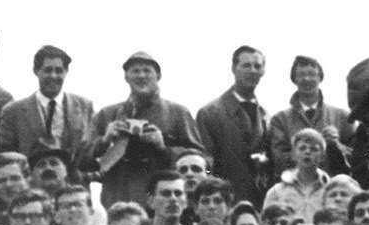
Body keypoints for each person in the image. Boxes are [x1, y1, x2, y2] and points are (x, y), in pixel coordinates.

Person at [83, 53, 204, 212]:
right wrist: (105, 140)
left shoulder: (177, 113)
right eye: (135, 71)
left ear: (158, 76)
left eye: (147, 71)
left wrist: (163, 147)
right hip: (117, 197)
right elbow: (82, 161)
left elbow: (202, 160)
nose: (141, 76)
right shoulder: (108, 114)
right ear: (126, 77)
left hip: (163, 200)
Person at [195, 46, 272, 205]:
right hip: (225, 201)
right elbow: (206, 165)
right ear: (233, 69)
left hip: (258, 202)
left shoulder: (266, 117)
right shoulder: (210, 113)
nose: (252, 71)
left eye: (257, 66)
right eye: (246, 65)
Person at [0, 45, 94, 166]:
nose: (53, 76)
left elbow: (91, 150)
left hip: (74, 182)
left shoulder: (85, 106)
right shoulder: (13, 111)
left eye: (58, 70)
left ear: (66, 72)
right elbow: (1, 153)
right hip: (30, 182)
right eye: (48, 70)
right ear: (36, 71)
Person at [266, 55, 352, 177]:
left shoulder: (342, 116)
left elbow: (358, 157)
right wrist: (302, 149)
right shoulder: (280, 120)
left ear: (320, 78)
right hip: (296, 189)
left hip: (335, 190)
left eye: (312, 74)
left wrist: (337, 145)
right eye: (301, 75)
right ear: (294, 79)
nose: (307, 79)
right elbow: (278, 160)